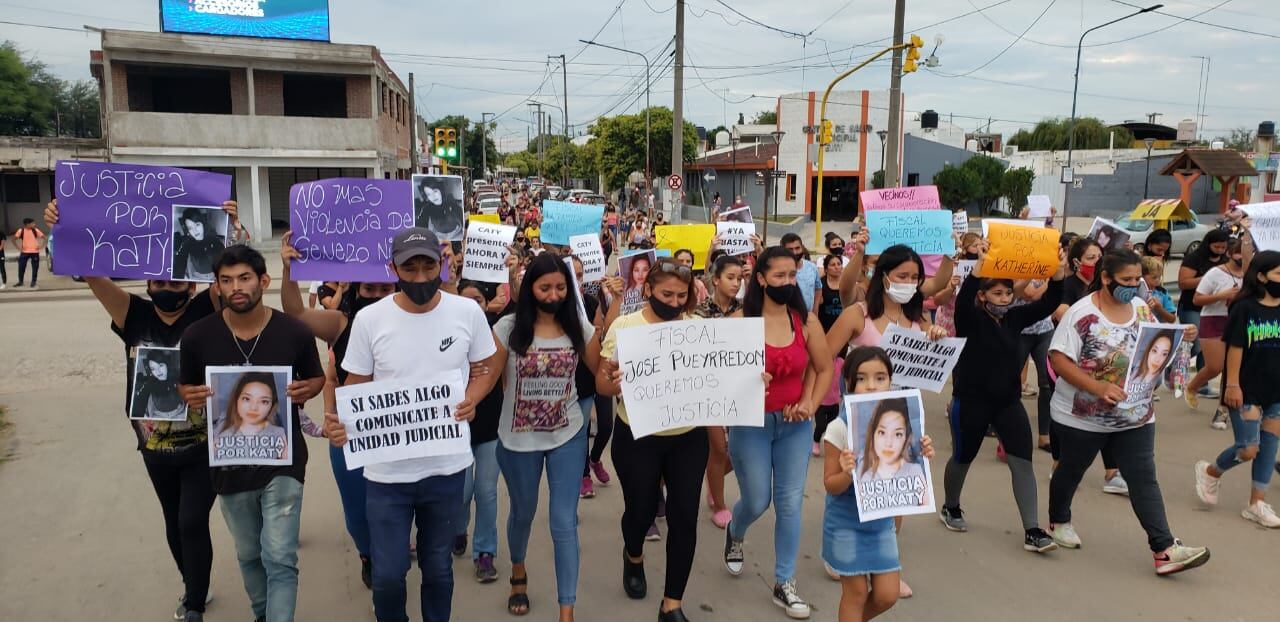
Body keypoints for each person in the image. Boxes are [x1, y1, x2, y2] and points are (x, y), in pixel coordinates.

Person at [45, 198, 235, 621]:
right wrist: (63, 227)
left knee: (190, 522)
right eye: (158, 282)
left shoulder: (209, 310)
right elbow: (91, 273)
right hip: (153, 447)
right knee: (173, 522)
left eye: (178, 283)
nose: (168, 289)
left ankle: (195, 603)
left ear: (193, 284)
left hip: (205, 443)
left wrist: (229, 230)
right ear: (147, 284)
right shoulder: (132, 314)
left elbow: (231, 276)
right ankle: (192, 584)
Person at [324, 227, 501, 622]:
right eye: (410, 267)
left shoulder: (466, 312)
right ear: (393, 269)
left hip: (446, 469)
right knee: (388, 576)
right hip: (387, 475)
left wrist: (473, 396)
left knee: (438, 569)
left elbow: (486, 368)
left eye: (428, 266)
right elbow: (355, 389)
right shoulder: (370, 319)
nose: (420, 277)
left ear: (443, 265)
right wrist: (341, 425)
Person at [178, 244, 326, 622]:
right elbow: (187, 387)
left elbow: (316, 378)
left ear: (264, 280)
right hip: (229, 465)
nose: (235, 288)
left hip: (284, 461)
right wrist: (190, 396)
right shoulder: (197, 337)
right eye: (226, 281)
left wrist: (309, 389)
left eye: (244, 278)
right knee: (248, 554)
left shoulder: (293, 331)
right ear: (217, 286)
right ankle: (263, 614)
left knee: (279, 555)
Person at [1046, 249, 1209, 575]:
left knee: (1143, 479)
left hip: (1135, 415)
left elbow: (1155, 343)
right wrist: (1096, 387)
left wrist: (1181, 335)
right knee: (1070, 471)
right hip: (1082, 417)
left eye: (1137, 280)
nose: (1134, 286)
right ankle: (1058, 519)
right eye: (1126, 280)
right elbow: (1058, 359)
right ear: (1105, 278)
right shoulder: (1081, 315)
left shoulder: (1140, 308)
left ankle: (1164, 548)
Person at [278, 232, 397, 590]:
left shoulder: (411, 322)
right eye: (368, 291)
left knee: (393, 508)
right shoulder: (340, 325)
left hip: (397, 432)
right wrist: (288, 272)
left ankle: (388, 556)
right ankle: (367, 554)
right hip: (349, 436)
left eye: (384, 290)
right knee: (358, 512)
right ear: (355, 292)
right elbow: (296, 313)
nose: (375, 297)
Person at [723, 246, 833, 620]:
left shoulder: (806, 322)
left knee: (789, 504)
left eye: (792, 275)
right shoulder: (739, 322)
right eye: (779, 276)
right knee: (756, 500)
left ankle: (784, 582)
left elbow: (823, 368)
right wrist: (747, 380)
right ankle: (736, 532)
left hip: (794, 427)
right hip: (751, 424)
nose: (787, 282)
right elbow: (718, 380)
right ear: (760, 279)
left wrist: (809, 403)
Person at [491, 253, 601, 620]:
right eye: (544, 287)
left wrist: (621, 372)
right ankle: (518, 569)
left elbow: (601, 375)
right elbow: (487, 379)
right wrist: (464, 402)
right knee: (522, 513)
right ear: (529, 289)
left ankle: (566, 611)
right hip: (517, 441)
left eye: (560, 287)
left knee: (563, 522)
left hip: (568, 434)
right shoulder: (507, 329)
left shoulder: (579, 329)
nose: (553, 294)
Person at [597, 257, 707, 622]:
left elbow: (718, 374)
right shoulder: (624, 327)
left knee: (684, 516)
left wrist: (750, 378)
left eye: (681, 295)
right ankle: (633, 555)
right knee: (641, 510)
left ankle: (672, 603)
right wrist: (610, 382)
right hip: (638, 435)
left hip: (688, 438)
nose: (674, 302)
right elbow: (602, 380)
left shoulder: (699, 328)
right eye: (666, 294)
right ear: (647, 290)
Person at [939, 242, 1065, 553]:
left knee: (1022, 461)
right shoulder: (970, 319)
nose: (1004, 299)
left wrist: (1059, 273)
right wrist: (977, 271)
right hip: (970, 402)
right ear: (983, 296)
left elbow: (1050, 302)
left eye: (1008, 294)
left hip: (1008, 404)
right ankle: (951, 506)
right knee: (962, 457)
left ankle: (1032, 529)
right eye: (996, 294)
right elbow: (964, 301)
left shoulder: (1015, 319)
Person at [821, 347, 934, 622]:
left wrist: (923, 454)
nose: (871, 385)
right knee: (856, 593)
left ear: (891, 381)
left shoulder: (903, 422)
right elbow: (830, 485)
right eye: (861, 379)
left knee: (887, 594)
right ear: (847, 385)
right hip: (846, 524)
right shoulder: (839, 428)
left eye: (880, 378)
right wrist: (847, 472)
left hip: (880, 523)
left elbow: (906, 472)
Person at [1194, 249, 1280, 528]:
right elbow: (1236, 348)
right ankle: (1211, 471)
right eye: (1279, 273)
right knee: (1248, 448)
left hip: (1276, 390)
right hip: (1246, 389)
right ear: (1262, 275)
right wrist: (1231, 384)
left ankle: (1256, 503)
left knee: (1269, 447)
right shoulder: (1244, 308)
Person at [1053, 237, 1125, 494]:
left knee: (1107, 407)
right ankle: (1058, 463)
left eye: (1099, 257)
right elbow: (1060, 311)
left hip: (1102, 364)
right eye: (1090, 257)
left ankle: (1112, 472)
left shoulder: (1107, 292)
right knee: (1062, 409)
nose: (1095, 262)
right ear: (1077, 261)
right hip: (1068, 356)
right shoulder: (1070, 286)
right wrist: (1083, 316)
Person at [452, 280, 505, 583]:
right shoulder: (445, 333)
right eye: (467, 299)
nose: (474, 305)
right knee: (461, 492)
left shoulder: (496, 333)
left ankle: (485, 552)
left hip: (489, 428)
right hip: (455, 427)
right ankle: (458, 528)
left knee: (486, 491)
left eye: (479, 301)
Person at [695, 255, 744, 529]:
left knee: (737, 452)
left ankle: (712, 482)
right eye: (730, 277)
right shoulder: (700, 312)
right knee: (719, 447)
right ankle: (720, 503)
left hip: (739, 390)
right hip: (709, 390)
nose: (736, 283)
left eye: (740, 278)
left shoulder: (747, 309)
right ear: (715, 279)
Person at [1187, 238, 1245, 429]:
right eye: (1238, 253)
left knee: (1232, 368)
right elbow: (1197, 299)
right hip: (1214, 320)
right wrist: (1222, 296)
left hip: (1239, 322)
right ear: (1229, 253)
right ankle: (1193, 386)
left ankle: (1222, 411)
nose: (1242, 257)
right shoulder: (1215, 273)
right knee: (1216, 366)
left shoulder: (1251, 273)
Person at [1177, 229, 1231, 397]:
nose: (1220, 250)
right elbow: (1183, 283)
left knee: (1207, 348)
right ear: (1208, 244)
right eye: (1217, 247)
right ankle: (1173, 367)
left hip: (1215, 310)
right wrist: (1209, 278)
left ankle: (1202, 385)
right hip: (1192, 307)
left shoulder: (1226, 260)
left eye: (1223, 247)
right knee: (1194, 345)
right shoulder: (1194, 258)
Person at [215, 372, 289, 460]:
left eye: (264, 401)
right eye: (246, 399)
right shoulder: (221, 431)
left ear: (272, 406)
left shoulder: (279, 434)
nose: (254, 408)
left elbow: (288, 467)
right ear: (236, 400)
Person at [173, 208, 228, 282]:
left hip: (216, 277)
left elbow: (225, 259)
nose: (194, 230)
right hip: (197, 278)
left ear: (203, 224)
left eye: (197, 225)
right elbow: (179, 262)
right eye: (190, 228)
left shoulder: (214, 240)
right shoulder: (187, 244)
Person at [780, 233, 822, 313]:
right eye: (790, 249)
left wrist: (815, 309)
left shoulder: (812, 267)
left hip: (808, 318)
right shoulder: (778, 270)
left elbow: (818, 288)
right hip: (786, 319)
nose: (794, 252)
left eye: (797, 248)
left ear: (802, 247)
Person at [1141, 257, 1178, 323]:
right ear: (1142, 276)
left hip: (1159, 331)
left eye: (1160, 276)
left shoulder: (1162, 292)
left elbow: (1172, 319)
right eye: (1154, 277)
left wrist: (1159, 308)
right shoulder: (1135, 293)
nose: (1158, 280)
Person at [12, 217, 45, 289]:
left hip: (35, 252)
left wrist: (41, 246)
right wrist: (18, 248)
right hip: (24, 252)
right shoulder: (21, 231)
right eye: (33, 223)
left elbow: (45, 238)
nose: (34, 224)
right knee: (21, 267)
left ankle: (33, 281)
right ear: (27, 224)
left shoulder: (36, 230)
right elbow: (13, 239)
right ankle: (20, 281)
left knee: (35, 268)